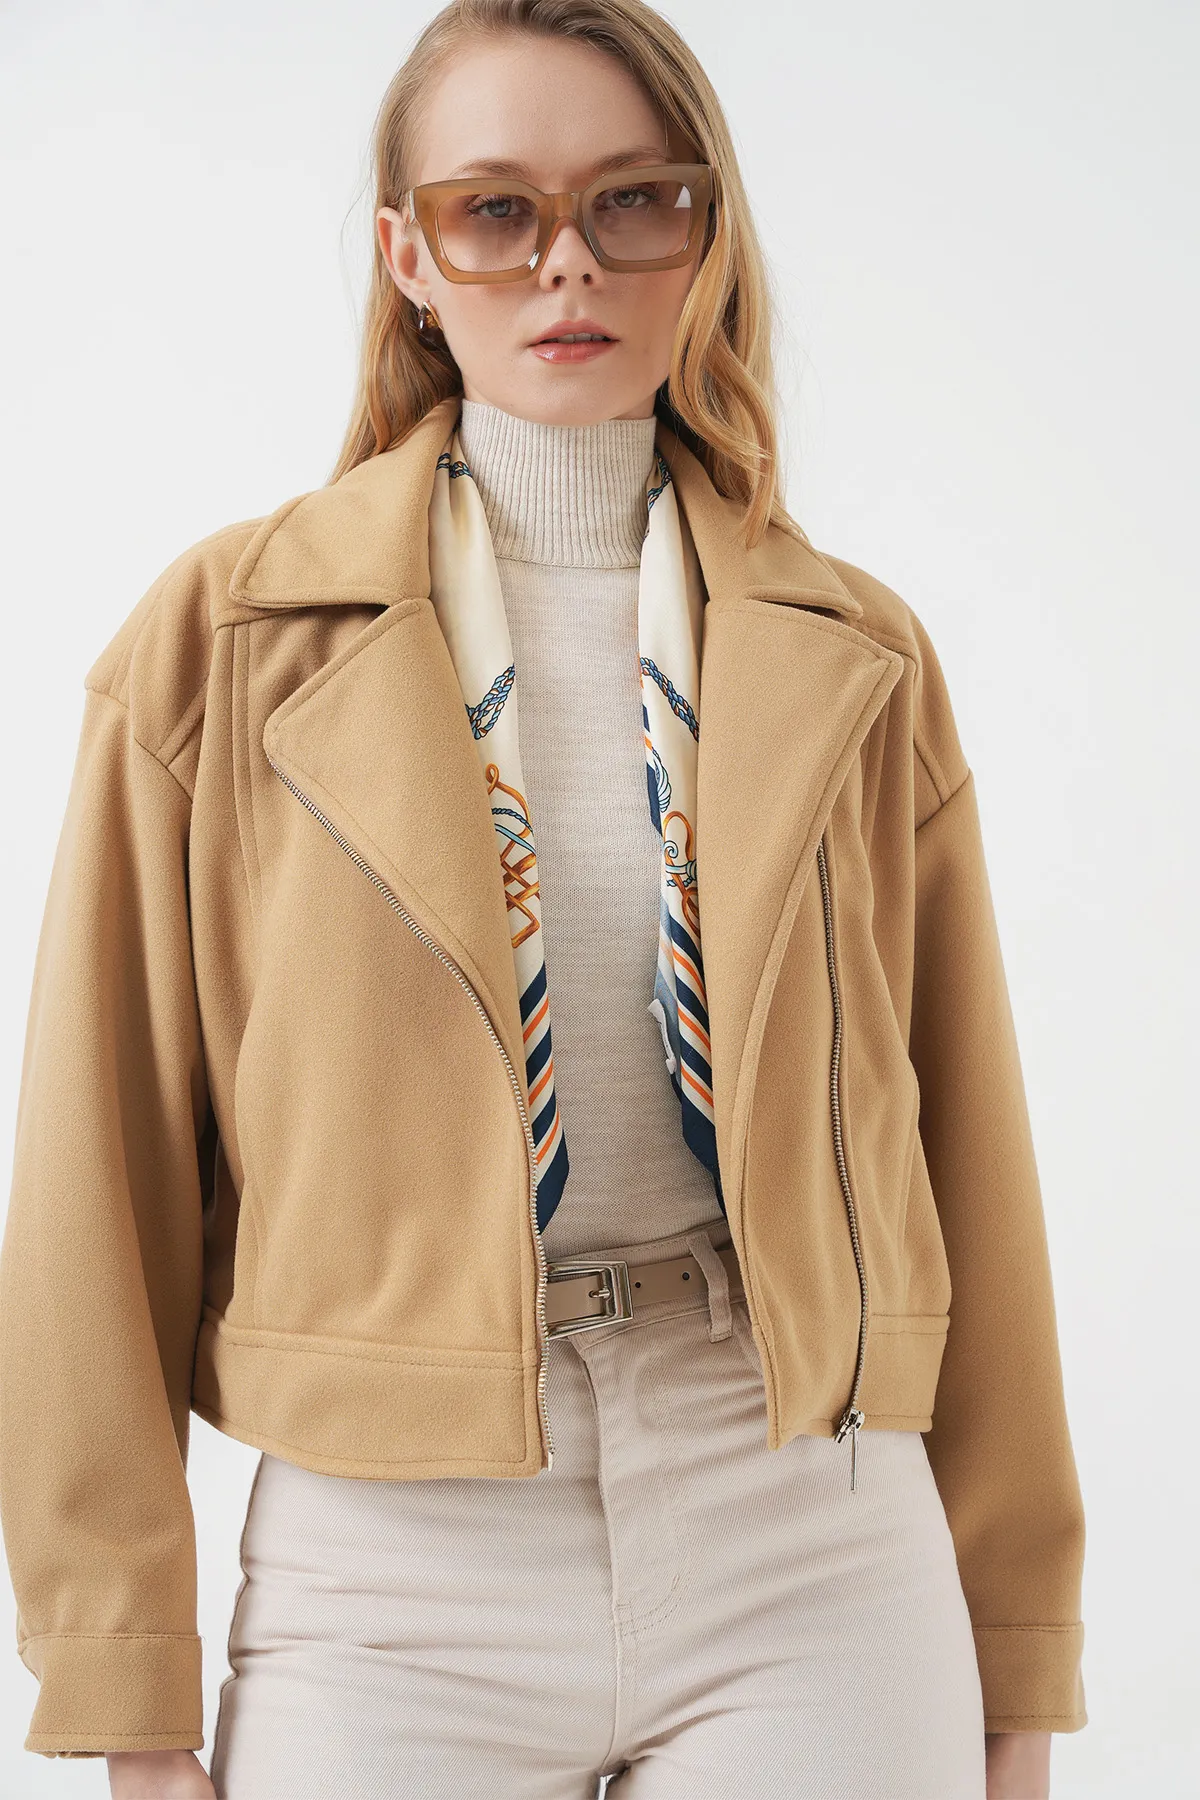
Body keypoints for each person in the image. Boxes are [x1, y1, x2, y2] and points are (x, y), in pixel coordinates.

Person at [0, 2, 1087, 1796]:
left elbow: (968, 1156)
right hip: (391, 1556)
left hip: (806, 1523)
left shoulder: (859, 652)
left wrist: (1018, 1665)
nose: (566, 260)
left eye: (634, 200)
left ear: (705, 236)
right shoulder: (222, 646)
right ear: (407, 258)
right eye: (496, 210)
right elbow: (91, 1181)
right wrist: (126, 1691)